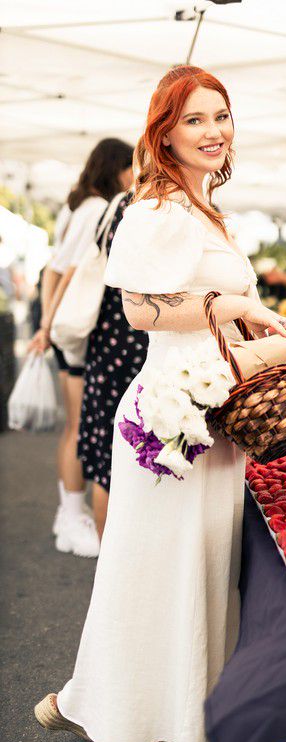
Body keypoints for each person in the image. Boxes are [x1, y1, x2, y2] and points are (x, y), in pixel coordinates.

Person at [34, 66, 286, 742]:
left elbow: (213, 318)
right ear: (163, 132)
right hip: (169, 419)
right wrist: (238, 306)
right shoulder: (156, 210)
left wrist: (269, 330)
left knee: (188, 575)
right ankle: (139, 715)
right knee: (160, 574)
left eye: (220, 116)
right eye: (193, 119)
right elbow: (139, 311)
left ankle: (140, 707)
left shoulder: (202, 210)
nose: (212, 131)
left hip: (212, 412)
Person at [28, 138, 134, 557]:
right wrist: (47, 325)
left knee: (79, 426)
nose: (134, 176)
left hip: (71, 328)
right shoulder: (95, 209)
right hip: (79, 331)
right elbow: (63, 270)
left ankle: (70, 514)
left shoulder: (79, 206)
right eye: (130, 167)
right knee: (79, 426)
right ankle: (73, 517)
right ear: (115, 168)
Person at [77, 191, 148, 538]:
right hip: (140, 343)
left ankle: (106, 554)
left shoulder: (115, 205)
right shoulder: (155, 209)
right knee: (142, 451)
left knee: (108, 447)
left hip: (106, 343)